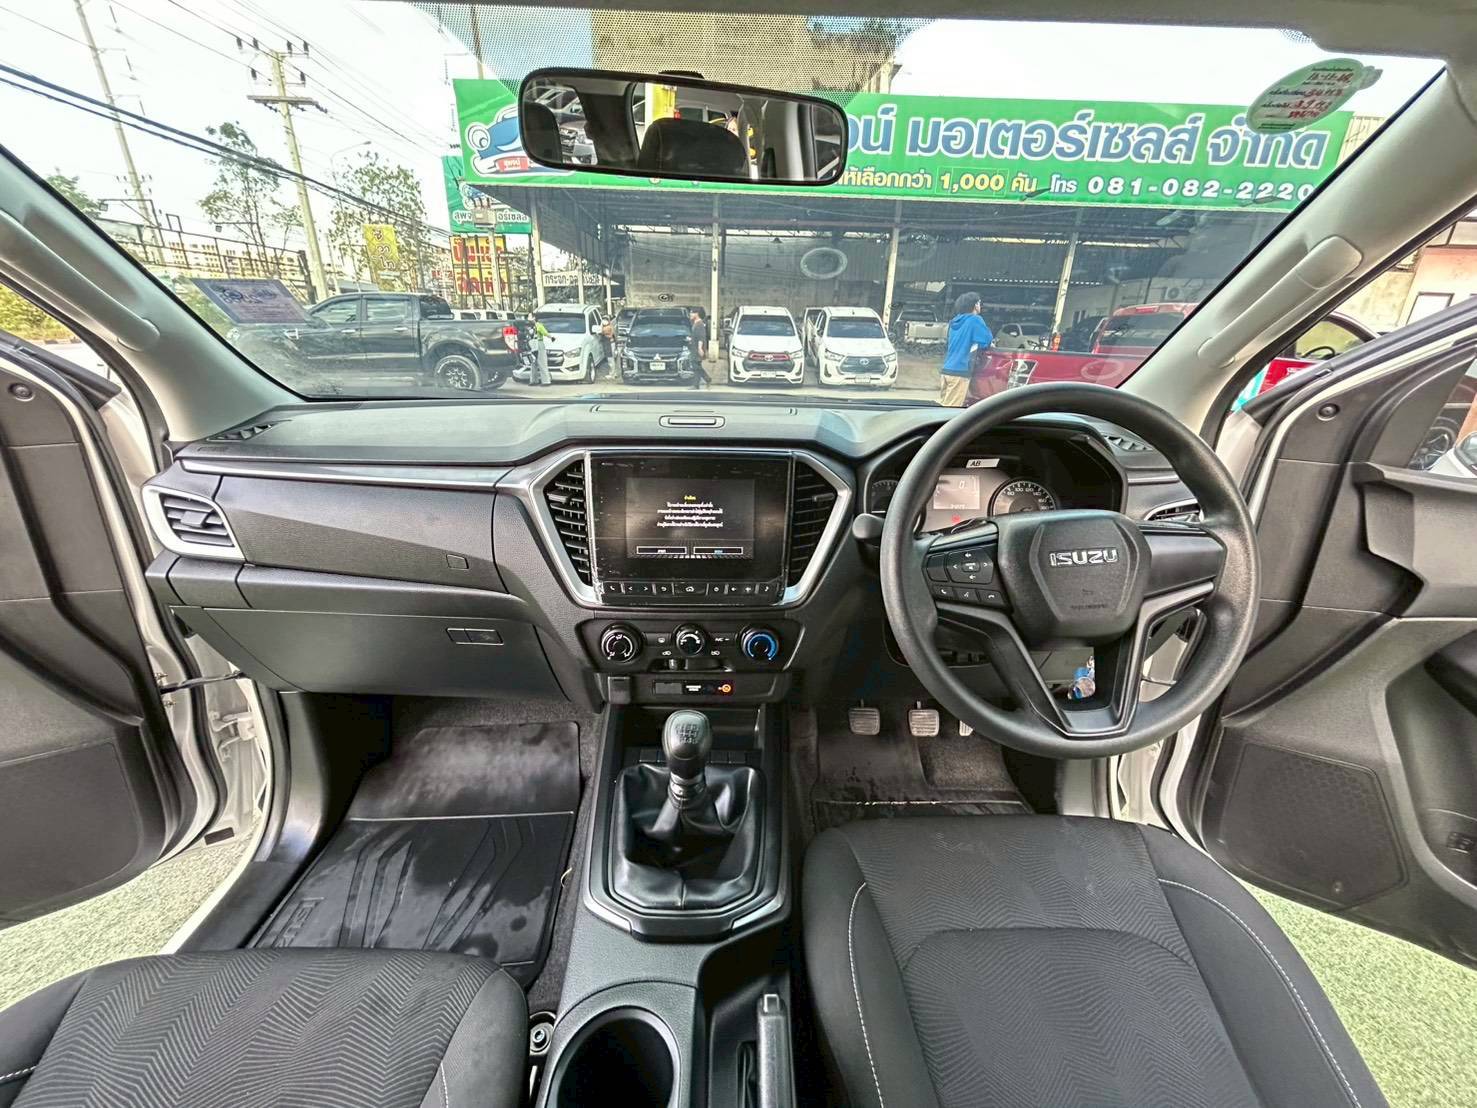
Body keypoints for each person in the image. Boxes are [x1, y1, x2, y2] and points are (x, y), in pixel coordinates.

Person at [940, 291, 994, 407]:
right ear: (975, 305)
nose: (980, 305)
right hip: (960, 371)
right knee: (951, 410)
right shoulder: (975, 320)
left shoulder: (955, 321)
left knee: (943, 406)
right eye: (979, 303)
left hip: (947, 370)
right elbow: (985, 341)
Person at [689, 309, 712, 390]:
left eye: (692, 313)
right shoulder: (695, 323)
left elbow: (701, 337)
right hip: (694, 347)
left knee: (695, 365)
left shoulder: (700, 324)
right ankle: (696, 385)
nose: (690, 315)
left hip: (697, 349)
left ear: (697, 314)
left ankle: (707, 378)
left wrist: (700, 348)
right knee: (697, 365)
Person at [528, 312, 551, 387]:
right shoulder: (530, 326)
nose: (528, 318)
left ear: (534, 317)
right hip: (532, 343)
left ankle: (546, 381)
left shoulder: (539, 325)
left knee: (542, 362)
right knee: (533, 362)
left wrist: (551, 337)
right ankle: (534, 380)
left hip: (539, 343)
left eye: (529, 316)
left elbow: (545, 333)